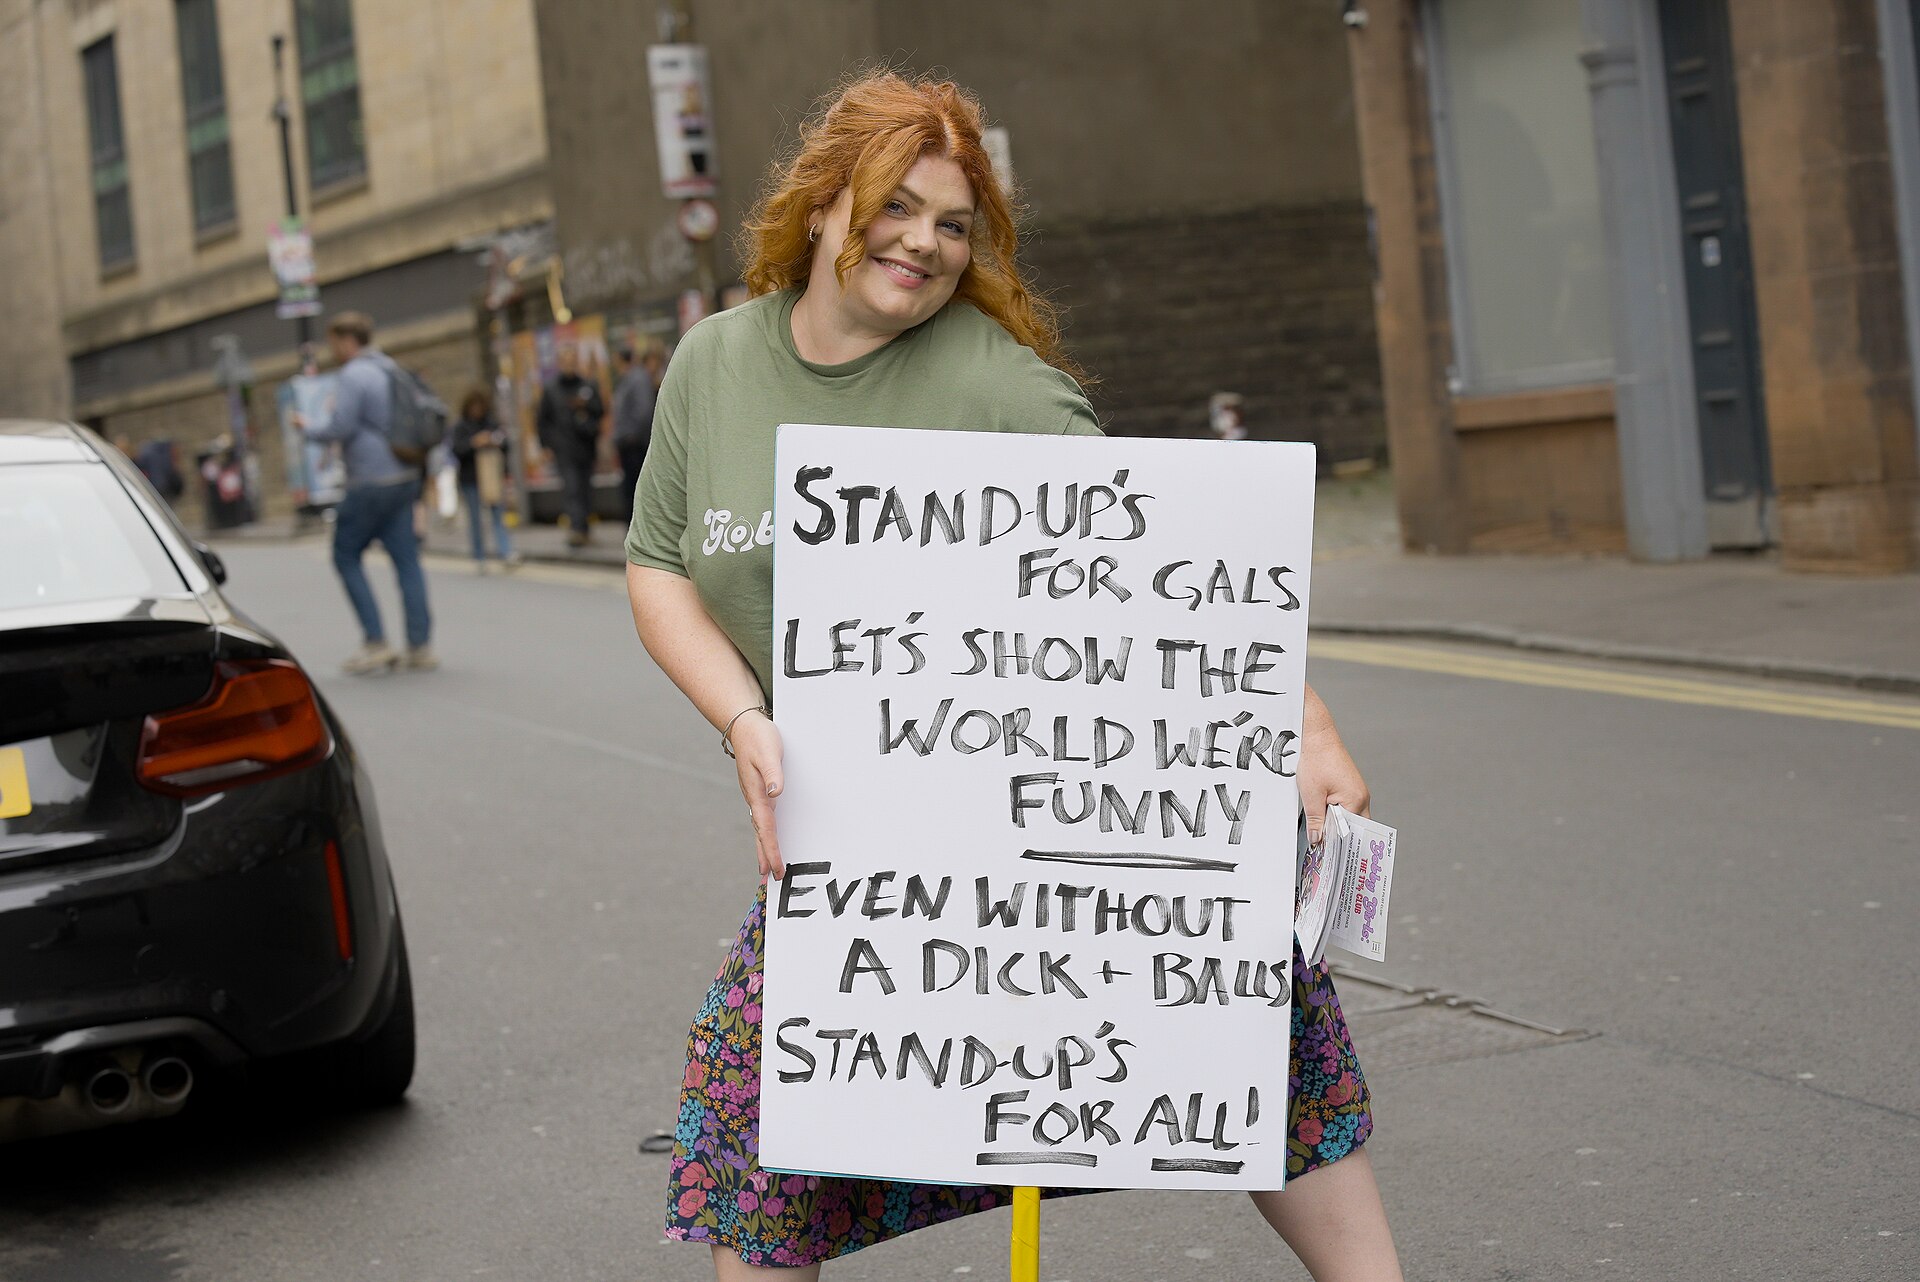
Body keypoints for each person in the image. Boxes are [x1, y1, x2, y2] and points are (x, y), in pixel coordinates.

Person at [624, 72, 1402, 1282]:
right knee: (761, 1121)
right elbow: (658, 564)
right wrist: (741, 717)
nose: (926, 244)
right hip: (848, 848)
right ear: (825, 204)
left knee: (1245, 1032)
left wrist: (1303, 725)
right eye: (900, 207)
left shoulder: (991, 381)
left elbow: (1166, 572)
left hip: (1036, 834)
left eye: (953, 224)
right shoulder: (712, 365)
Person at [301, 310, 436, 674]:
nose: (334, 350)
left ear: (347, 341)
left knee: (345, 555)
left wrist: (308, 427)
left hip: (370, 480)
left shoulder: (354, 375)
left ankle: (376, 642)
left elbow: (341, 426)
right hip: (405, 475)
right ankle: (420, 647)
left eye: (335, 343)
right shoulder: (391, 368)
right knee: (406, 560)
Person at [536, 342, 606, 547]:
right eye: (565, 360)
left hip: (585, 447)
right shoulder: (551, 389)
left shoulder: (587, 385)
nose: (569, 364)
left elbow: (600, 411)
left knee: (585, 489)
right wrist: (547, 445)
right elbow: (542, 420)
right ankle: (576, 529)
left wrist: (585, 407)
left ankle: (584, 528)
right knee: (572, 488)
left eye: (572, 360)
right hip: (564, 448)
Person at [450, 386, 518, 568]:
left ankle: (505, 552)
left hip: (492, 478)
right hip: (470, 479)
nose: (477, 410)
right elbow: (456, 450)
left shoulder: (491, 423)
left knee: (498, 516)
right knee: (476, 520)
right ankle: (479, 556)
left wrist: (493, 440)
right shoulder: (460, 426)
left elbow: (506, 444)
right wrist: (474, 443)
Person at [612, 340, 665, 522]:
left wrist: (630, 437)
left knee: (635, 490)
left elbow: (643, 412)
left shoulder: (636, 379)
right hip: (632, 443)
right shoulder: (635, 379)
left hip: (634, 445)